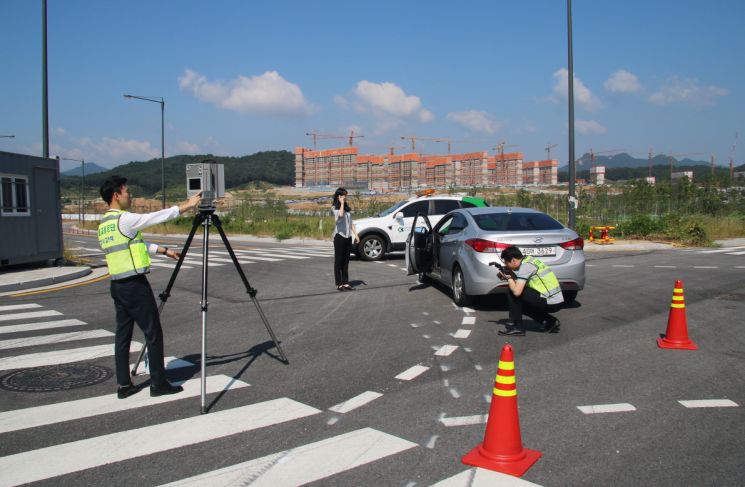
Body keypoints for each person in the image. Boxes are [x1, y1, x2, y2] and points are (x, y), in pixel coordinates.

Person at [98, 175, 202, 398]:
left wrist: (163, 251)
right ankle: (158, 382)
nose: (130, 195)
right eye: (127, 192)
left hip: (117, 284)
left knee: (122, 336)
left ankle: (124, 385)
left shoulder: (104, 225)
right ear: (116, 195)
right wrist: (186, 206)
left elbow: (135, 243)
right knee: (153, 332)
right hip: (134, 285)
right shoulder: (123, 219)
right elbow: (154, 217)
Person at [497, 245, 564, 336]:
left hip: (551, 301)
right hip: (555, 299)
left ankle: (517, 327)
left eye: (506, 263)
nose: (506, 266)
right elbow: (520, 284)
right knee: (519, 304)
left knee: (512, 293)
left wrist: (508, 278)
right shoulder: (529, 260)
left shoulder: (525, 267)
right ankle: (550, 321)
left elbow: (517, 292)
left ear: (513, 260)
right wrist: (511, 276)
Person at [331, 188, 359, 291]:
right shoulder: (335, 208)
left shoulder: (347, 208)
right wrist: (341, 203)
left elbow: (351, 223)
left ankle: (346, 282)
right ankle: (339, 284)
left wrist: (356, 235)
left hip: (348, 237)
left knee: (346, 261)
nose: (345, 197)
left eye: (346, 195)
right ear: (338, 196)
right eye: (343, 195)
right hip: (339, 237)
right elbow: (341, 216)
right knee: (339, 261)